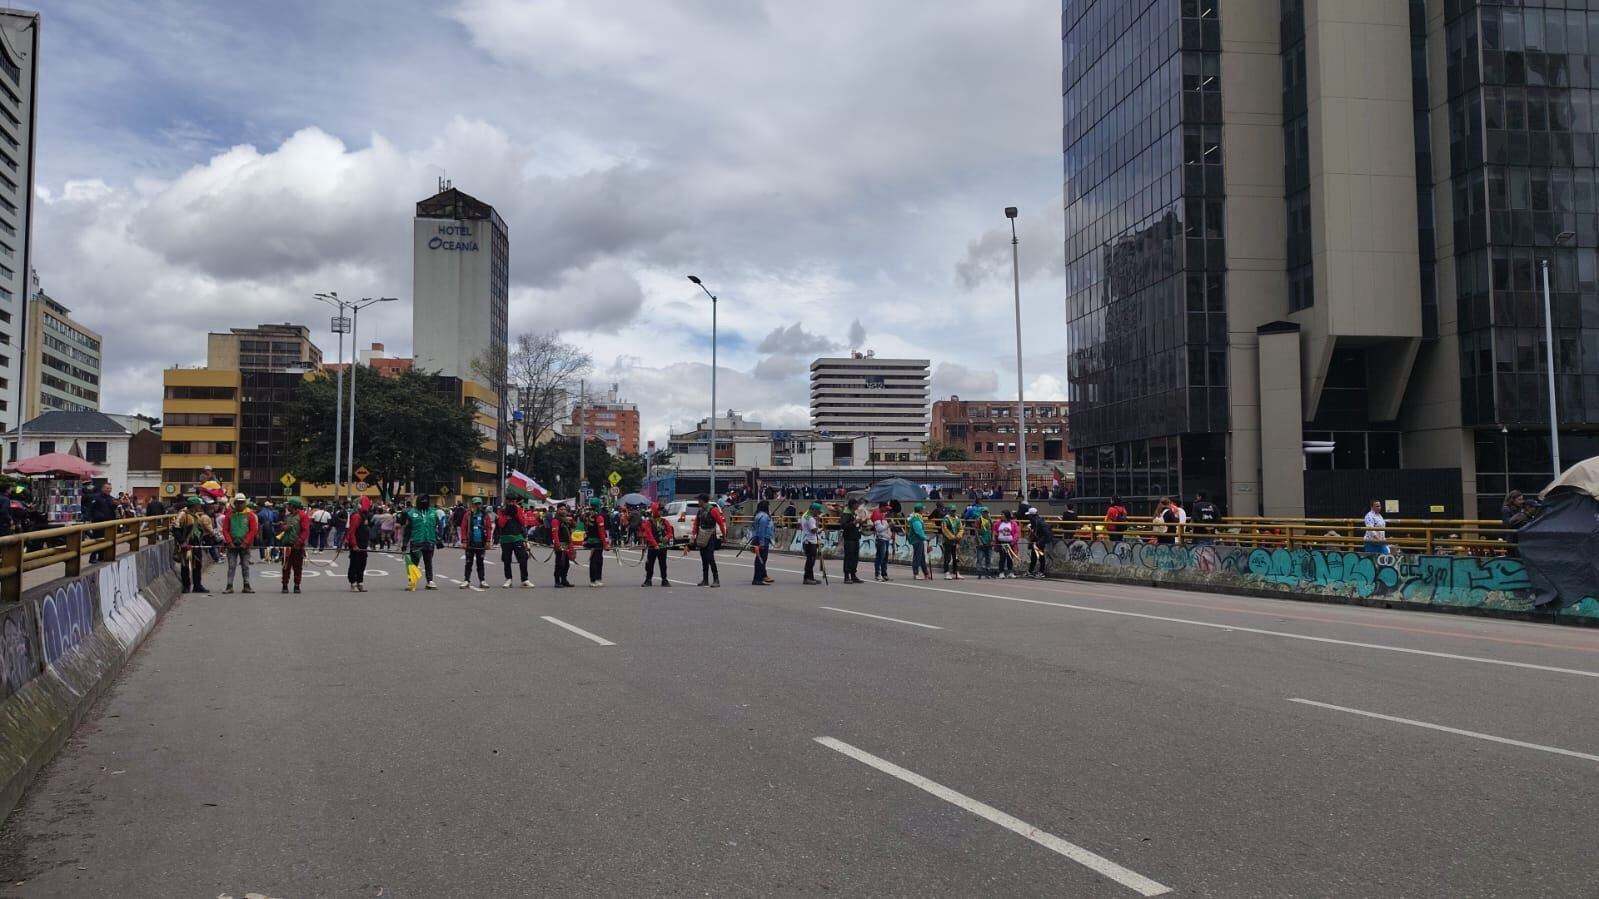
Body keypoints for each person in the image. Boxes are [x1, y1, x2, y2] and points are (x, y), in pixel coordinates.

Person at [172, 496, 213, 594]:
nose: (200, 507)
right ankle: (186, 586)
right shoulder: (183, 514)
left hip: (196, 543)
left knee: (197, 564)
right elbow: (175, 529)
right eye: (199, 505)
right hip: (186, 543)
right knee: (185, 565)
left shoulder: (196, 515)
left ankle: (197, 585)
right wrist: (182, 542)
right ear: (194, 505)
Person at [219, 493, 258, 594]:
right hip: (232, 545)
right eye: (238, 502)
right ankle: (229, 586)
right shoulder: (229, 515)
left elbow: (253, 530)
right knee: (231, 566)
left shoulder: (250, 515)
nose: (240, 504)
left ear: (245, 503)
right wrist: (229, 542)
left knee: (245, 566)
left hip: (245, 545)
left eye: (242, 502)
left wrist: (246, 542)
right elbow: (225, 529)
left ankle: (246, 585)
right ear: (235, 503)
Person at [402, 495, 440, 590]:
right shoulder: (411, 513)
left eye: (426, 500)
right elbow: (407, 530)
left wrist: (439, 539)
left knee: (428, 562)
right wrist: (405, 543)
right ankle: (412, 581)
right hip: (416, 541)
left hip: (429, 540)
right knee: (414, 563)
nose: (424, 502)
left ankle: (430, 581)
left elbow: (437, 527)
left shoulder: (433, 513)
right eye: (422, 501)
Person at [494, 497, 531, 587]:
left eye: (513, 501)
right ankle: (508, 579)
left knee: (523, 558)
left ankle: (524, 579)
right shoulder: (502, 510)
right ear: (506, 501)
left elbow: (523, 522)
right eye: (509, 501)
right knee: (507, 560)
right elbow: (500, 524)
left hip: (517, 537)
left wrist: (516, 512)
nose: (511, 503)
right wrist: (507, 516)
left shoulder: (519, 509)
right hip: (505, 538)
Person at [460, 496, 494, 589]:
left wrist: (488, 541)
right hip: (470, 542)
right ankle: (466, 580)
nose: (477, 506)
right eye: (475, 504)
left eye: (479, 504)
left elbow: (489, 528)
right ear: (472, 504)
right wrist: (464, 541)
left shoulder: (485, 515)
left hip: (481, 542)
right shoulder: (467, 515)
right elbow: (463, 528)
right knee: (468, 562)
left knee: (480, 562)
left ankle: (482, 580)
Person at [277, 497, 310, 594]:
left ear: (293, 506)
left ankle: (297, 585)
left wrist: (299, 542)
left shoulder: (302, 516)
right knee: (285, 566)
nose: (287, 507)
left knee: (297, 567)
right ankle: (285, 585)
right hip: (286, 544)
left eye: (289, 505)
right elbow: (283, 528)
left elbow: (305, 531)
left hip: (297, 545)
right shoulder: (288, 516)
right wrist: (283, 527)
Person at [692, 493, 725, 588]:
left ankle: (716, 579)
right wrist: (693, 535)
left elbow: (720, 523)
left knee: (710, 557)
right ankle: (705, 579)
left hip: (710, 537)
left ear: (702, 501)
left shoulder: (713, 510)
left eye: (699, 500)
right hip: (702, 536)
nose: (698, 502)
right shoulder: (700, 511)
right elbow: (696, 523)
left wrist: (724, 535)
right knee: (704, 559)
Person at [345, 496, 375, 593]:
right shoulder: (356, 516)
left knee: (362, 564)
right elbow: (352, 532)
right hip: (356, 544)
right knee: (355, 563)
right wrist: (354, 544)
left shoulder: (364, 515)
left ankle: (360, 582)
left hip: (363, 544)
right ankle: (353, 583)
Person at [640, 503, 673, 587]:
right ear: (654, 511)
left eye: (661, 510)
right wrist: (654, 544)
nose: (661, 512)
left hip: (662, 546)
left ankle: (664, 580)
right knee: (650, 564)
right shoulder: (649, 522)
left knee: (663, 564)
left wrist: (667, 537)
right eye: (659, 510)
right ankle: (648, 580)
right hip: (652, 547)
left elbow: (670, 532)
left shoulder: (665, 521)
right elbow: (648, 534)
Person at [85, 482, 117, 562]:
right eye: (107, 488)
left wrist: (116, 504)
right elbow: (90, 509)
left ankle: (101, 556)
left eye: (110, 488)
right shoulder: (96, 497)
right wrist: (88, 519)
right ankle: (92, 557)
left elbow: (113, 510)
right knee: (97, 539)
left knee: (106, 539)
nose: (108, 490)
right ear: (102, 488)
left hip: (109, 523)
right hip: (98, 522)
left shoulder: (111, 499)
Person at [582, 498, 609, 587]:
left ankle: (593, 580)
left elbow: (586, 529)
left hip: (589, 540)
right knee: (597, 561)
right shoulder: (599, 517)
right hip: (597, 541)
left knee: (593, 560)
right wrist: (605, 544)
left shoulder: (586, 515)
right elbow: (601, 532)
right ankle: (597, 579)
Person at [749, 500, 774, 586]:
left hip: (758, 538)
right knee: (761, 559)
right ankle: (758, 579)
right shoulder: (764, 517)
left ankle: (760, 577)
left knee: (760, 558)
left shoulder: (758, 515)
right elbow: (762, 530)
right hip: (763, 539)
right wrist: (762, 543)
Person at [550, 505, 575, 588]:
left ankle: (564, 580)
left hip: (567, 544)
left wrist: (572, 520)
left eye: (564, 509)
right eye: (561, 509)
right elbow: (555, 534)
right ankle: (557, 581)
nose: (563, 511)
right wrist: (558, 545)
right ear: (557, 510)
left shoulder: (566, 520)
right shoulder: (555, 520)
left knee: (566, 564)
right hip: (560, 544)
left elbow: (574, 526)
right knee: (559, 564)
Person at [841, 498, 865, 584]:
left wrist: (860, 523)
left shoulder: (854, 513)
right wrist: (854, 522)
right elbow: (843, 526)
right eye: (856, 504)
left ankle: (853, 575)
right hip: (849, 538)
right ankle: (846, 576)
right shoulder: (846, 514)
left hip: (855, 537)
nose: (858, 506)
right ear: (853, 505)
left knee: (855, 557)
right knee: (849, 557)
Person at [800, 501, 823, 585]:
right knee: (810, 561)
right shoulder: (810, 518)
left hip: (806, 540)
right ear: (814, 510)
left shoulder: (805, 515)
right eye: (818, 511)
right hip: (810, 541)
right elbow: (814, 530)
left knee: (810, 560)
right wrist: (818, 522)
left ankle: (811, 577)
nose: (818, 513)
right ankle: (807, 578)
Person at [939, 506, 965, 580]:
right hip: (947, 541)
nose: (953, 512)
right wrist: (952, 537)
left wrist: (959, 536)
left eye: (954, 511)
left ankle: (955, 572)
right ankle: (947, 572)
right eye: (952, 511)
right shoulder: (946, 519)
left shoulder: (957, 519)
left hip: (956, 541)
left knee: (955, 557)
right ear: (949, 511)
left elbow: (961, 529)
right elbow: (944, 530)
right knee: (947, 557)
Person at [907, 503, 931, 580]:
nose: (923, 510)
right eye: (922, 509)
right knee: (917, 557)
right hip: (917, 539)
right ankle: (916, 573)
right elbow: (918, 530)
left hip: (919, 539)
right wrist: (924, 537)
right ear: (920, 510)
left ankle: (926, 573)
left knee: (921, 557)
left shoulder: (917, 516)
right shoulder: (916, 518)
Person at [871, 501, 894, 582]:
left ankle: (884, 574)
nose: (887, 510)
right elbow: (879, 529)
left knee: (884, 558)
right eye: (886, 508)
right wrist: (889, 525)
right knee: (880, 558)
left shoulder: (882, 514)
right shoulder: (877, 514)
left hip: (885, 539)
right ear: (882, 507)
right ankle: (878, 574)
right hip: (881, 539)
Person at [994, 509, 1019, 578]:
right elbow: (995, 531)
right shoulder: (998, 523)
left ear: (1006, 515)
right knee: (1002, 557)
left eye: (1003, 514)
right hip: (1001, 543)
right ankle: (1001, 572)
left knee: (1010, 557)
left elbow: (1016, 533)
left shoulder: (1013, 523)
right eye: (1001, 514)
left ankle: (1010, 572)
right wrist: (996, 537)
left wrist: (1013, 541)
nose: (1001, 516)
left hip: (1010, 543)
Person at [973, 506, 994, 579]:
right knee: (980, 557)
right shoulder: (978, 520)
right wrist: (978, 541)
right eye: (984, 512)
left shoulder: (990, 520)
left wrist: (992, 539)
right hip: (981, 541)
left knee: (988, 558)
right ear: (981, 513)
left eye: (986, 512)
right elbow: (976, 531)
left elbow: (992, 530)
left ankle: (988, 572)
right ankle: (979, 572)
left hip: (988, 541)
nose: (985, 514)